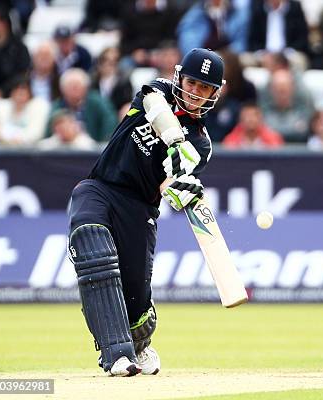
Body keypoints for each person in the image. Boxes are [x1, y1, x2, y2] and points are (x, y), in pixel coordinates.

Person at [67, 48, 224, 376]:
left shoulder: (202, 143)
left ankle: (139, 341)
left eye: (204, 88)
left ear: (214, 94)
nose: (195, 92)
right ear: (180, 76)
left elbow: (171, 186)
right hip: (101, 187)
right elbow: (154, 108)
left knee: (136, 306)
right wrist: (175, 142)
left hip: (139, 210)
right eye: (192, 82)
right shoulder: (158, 90)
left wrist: (183, 187)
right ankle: (116, 355)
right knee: (90, 241)